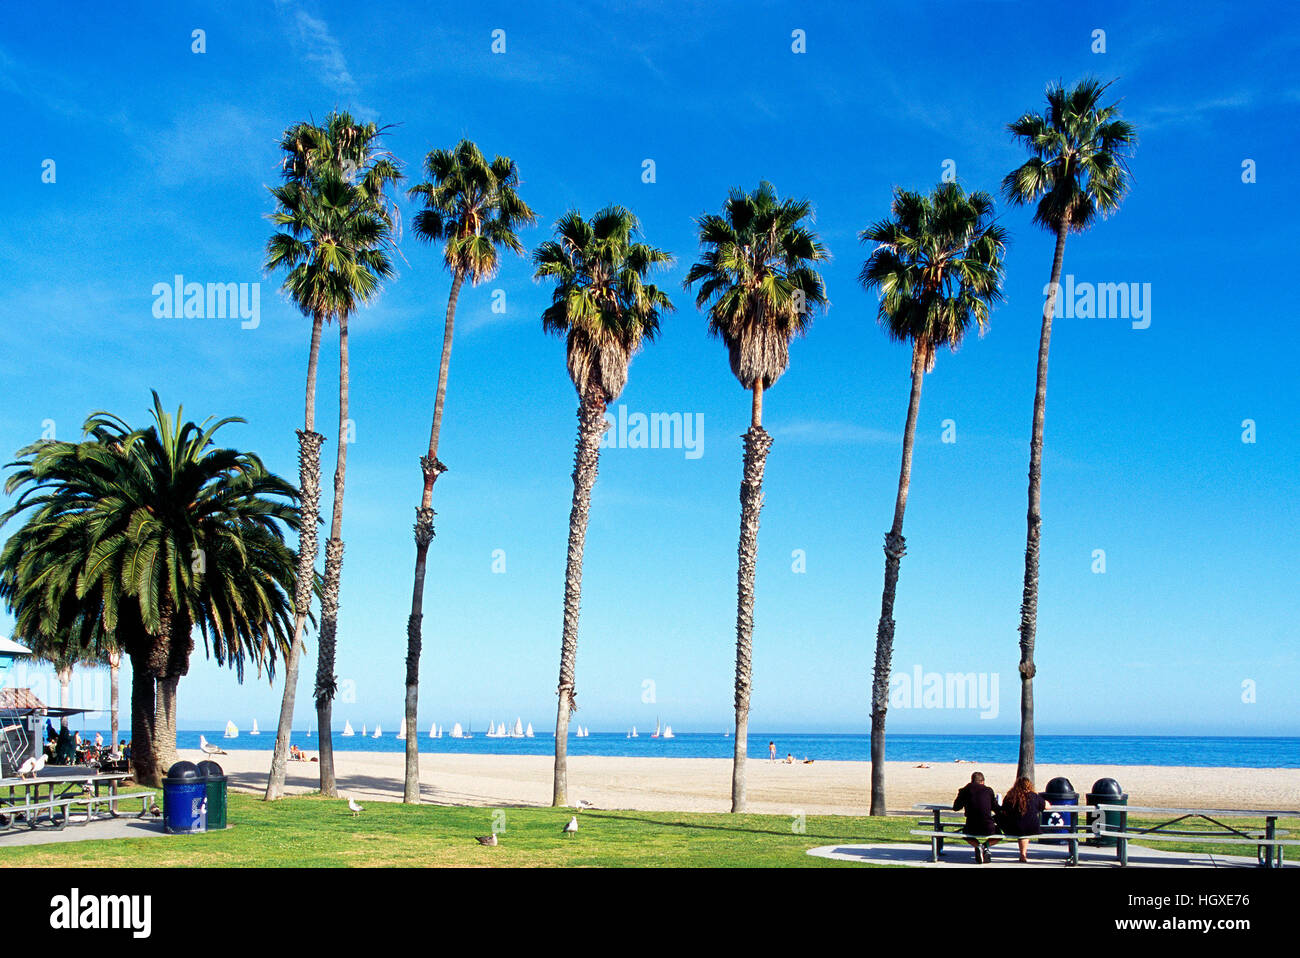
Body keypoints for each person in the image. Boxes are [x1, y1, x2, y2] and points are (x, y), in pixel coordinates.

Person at [997, 777, 1051, 863]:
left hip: (1014, 828)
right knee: (1025, 826)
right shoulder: (1034, 796)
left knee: (1021, 825)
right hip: (1032, 827)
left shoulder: (1010, 796)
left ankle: (1023, 854)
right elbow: (1048, 806)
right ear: (1029, 785)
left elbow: (1004, 810)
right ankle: (1023, 854)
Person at [953, 771, 1001, 863]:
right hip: (988, 827)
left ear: (972, 781)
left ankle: (978, 846)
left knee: (965, 833)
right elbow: (996, 809)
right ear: (982, 781)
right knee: (999, 834)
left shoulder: (964, 790)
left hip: (971, 827)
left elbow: (956, 807)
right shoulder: (988, 790)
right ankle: (985, 846)